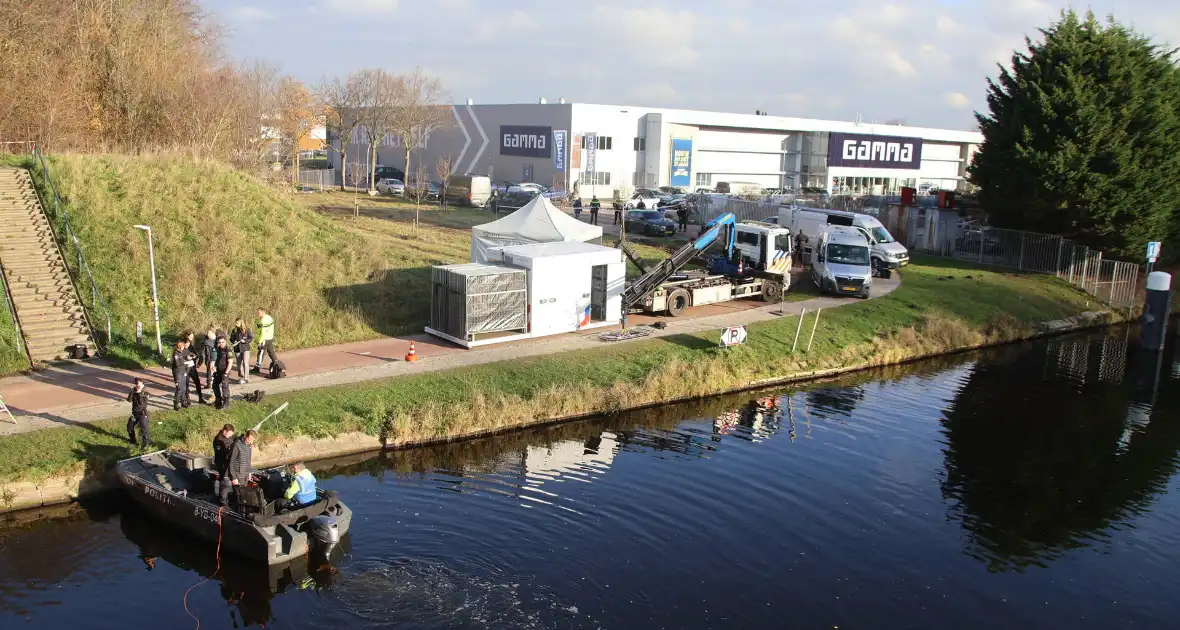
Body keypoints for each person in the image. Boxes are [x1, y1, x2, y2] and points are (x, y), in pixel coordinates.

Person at [227, 429, 258, 504]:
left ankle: (242, 508)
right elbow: (230, 462)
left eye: (252, 441)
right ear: (245, 436)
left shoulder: (249, 445)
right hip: (238, 475)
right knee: (238, 496)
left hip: (245, 475)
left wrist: (249, 472)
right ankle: (236, 508)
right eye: (250, 439)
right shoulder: (236, 445)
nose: (251, 442)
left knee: (244, 496)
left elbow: (248, 459)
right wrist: (233, 477)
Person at [213, 423, 236, 506]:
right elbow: (221, 452)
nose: (230, 436)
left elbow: (234, 438)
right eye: (229, 434)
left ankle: (227, 497)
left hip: (227, 463)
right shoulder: (218, 440)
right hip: (222, 463)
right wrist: (230, 449)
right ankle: (222, 501)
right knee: (225, 481)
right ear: (225, 431)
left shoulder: (228, 437)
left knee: (227, 480)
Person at [183, 331, 207, 404]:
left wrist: (195, 356)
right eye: (190, 336)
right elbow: (178, 357)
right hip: (185, 367)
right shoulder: (182, 345)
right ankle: (187, 399)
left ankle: (200, 398)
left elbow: (196, 355)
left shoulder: (192, 345)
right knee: (186, 383)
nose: (191, 338)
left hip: (192, 367)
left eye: (192, 336)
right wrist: (186, 358)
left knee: (197, 382)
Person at [126, 378, 151, 447]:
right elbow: (129, 400)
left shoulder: (146, 393)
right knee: (129, 427)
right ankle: (133, 441)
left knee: (144, 428)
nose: (138, 386)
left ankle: (147, 443)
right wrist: (132, 391)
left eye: (139, 385)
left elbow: (141, 403)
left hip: (142, 413)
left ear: (143, 385)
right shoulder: (134, 392)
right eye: (137, 385)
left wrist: (139, 393)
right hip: (135, 414)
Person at [253, 308, 278, 374]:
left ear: (263, 312)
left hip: (264, 339)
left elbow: (262, 333)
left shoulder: (262, 321)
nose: (258, 314)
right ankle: (277, 365)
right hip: (270, 338)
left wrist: (260, 342)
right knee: (271, 352)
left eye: (259, 313)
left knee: (260, 353)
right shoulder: (269, 317)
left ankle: (257, 368)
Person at [230, 318, 253, 384]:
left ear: (241, 323)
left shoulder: (247, 329)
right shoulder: (234, 330)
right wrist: (234, 341)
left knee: (245, 362)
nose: (236, 324)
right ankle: (241, 377)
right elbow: (231, 339)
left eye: (237, 323)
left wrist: (245, 341)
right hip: (237, 349)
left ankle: (246, 378)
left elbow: (250, 338)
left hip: (245, 348)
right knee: (239, 364)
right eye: (235, 323)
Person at [212, 335, 232, 409]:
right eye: (219, 342)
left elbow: (230, 362)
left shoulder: (228, 350)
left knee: (225, 387)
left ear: (225, 342)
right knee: (214, 385)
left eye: (223, 342)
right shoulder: (218, 349)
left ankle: (226, 403)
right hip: (218, 371)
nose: (221, 344)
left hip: (225, 371)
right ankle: (218, 401)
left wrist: (226, 372)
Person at [170, 340, 191, 410]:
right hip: (178, 373)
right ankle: (176, 404)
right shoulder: (176, 354)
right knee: (179, 388)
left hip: (183, 372)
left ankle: (183, 402)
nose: (184, 347)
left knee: (184, 388)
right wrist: (185, 361)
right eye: (182, 346)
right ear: (179, 346)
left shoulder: (181, 352)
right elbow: (177, 364)